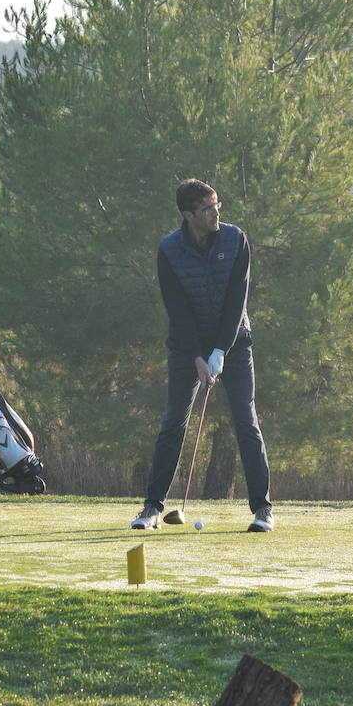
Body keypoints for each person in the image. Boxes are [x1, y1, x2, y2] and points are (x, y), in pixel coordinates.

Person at [131, 179, 273, 533]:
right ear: (188, 214)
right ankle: (151, 508)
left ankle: (263, 509)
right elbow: (177, 310)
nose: (216, 213)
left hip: (234, 344)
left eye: (217, 205)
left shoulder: (234, 239)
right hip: (186, 348)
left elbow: (236, 300)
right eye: (208, 209)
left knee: (246, 423)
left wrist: (220, 350)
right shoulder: (170, 249)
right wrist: (197, 356)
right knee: (172, 424)